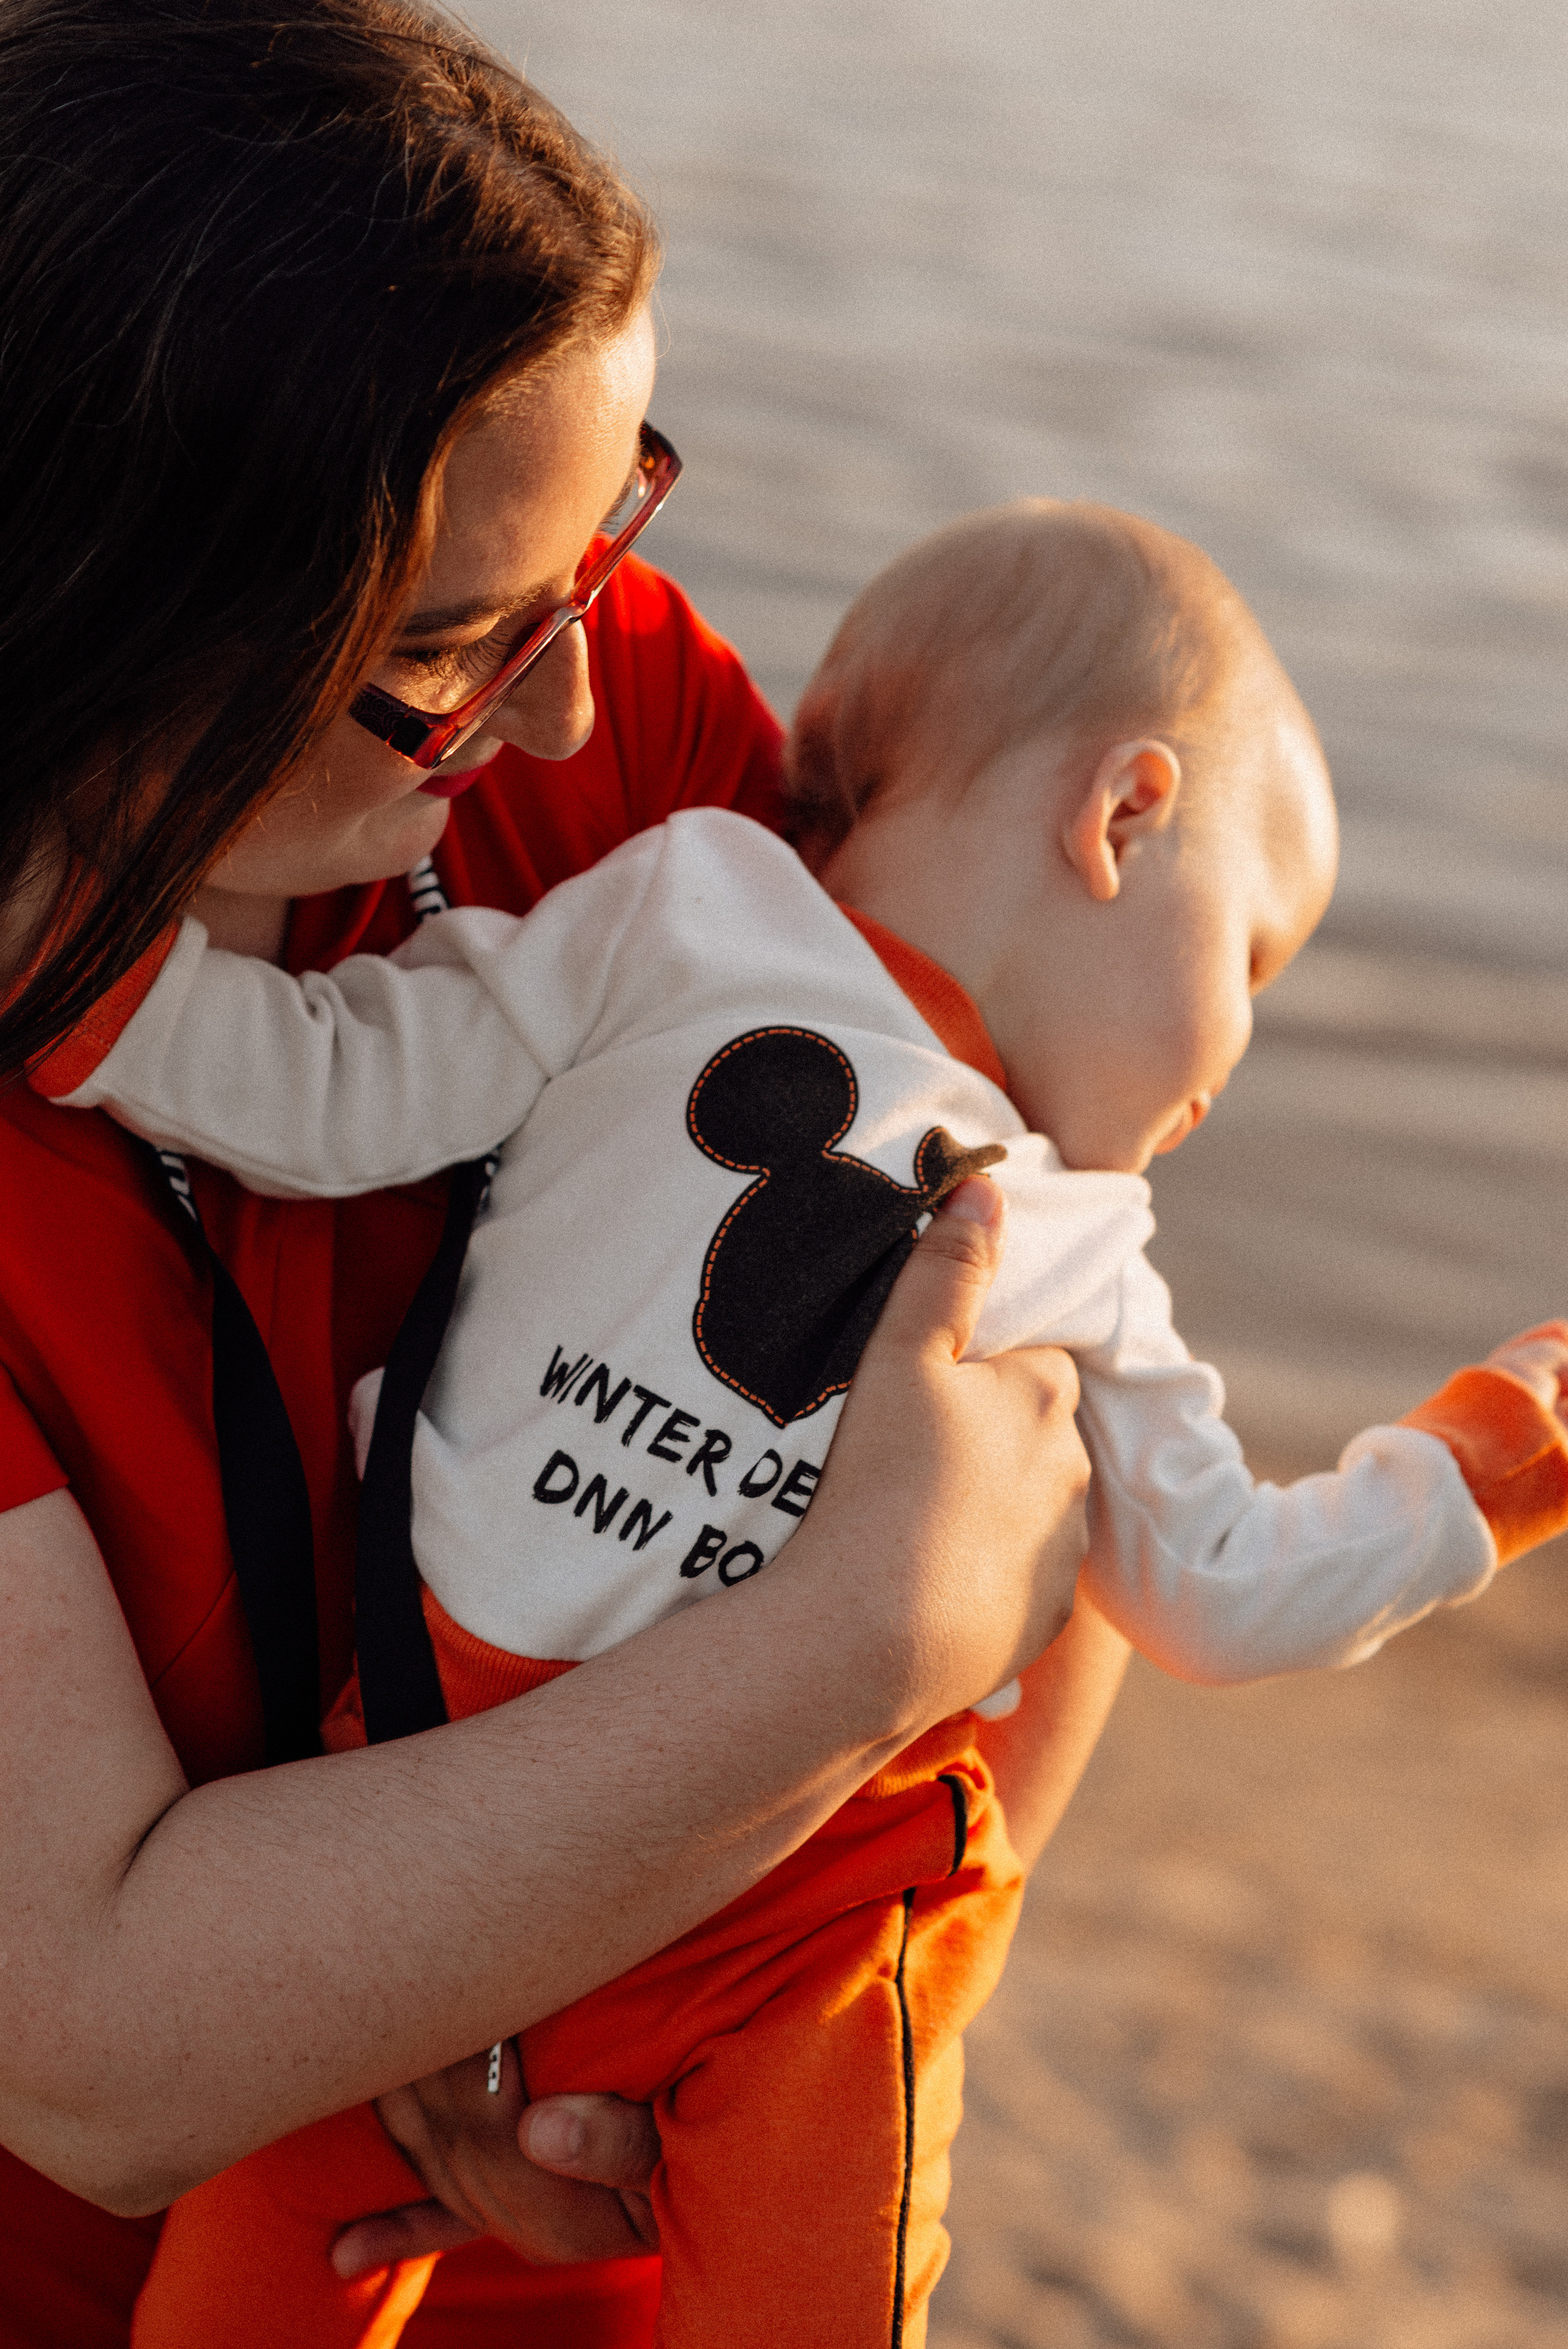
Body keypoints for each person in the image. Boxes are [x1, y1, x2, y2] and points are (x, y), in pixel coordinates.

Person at [59, 502, 1568, 2348]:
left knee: (824, 2278)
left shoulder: (1089, 1241)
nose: (1222, 1073)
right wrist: (88, 976)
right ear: (1125, 817)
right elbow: (344, 1079)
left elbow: (1223, 1583)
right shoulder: (686, 901)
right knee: (250, 2275)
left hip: (774, 1919)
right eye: (1249, 963)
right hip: (401, 1803)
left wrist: (1493, 1460)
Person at [0, 9, 1116, 2347]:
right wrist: (860, 1647)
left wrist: (695, 2000)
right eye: (432, 643)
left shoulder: (594, 764)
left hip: (573, 2230)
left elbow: (1039, 1350)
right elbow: (96, 2037)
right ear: (88, 588)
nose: (577, 715)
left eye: (602, 546)